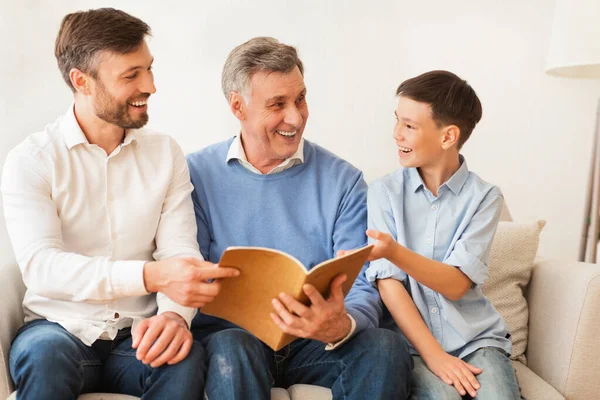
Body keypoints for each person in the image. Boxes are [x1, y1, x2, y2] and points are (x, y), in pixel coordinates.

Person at [2, 8, 238, 399]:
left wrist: (174, 317)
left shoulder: (165, 153)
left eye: (148, 69)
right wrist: (149, 276)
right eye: (131, 75)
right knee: (43, 356)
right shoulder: (32, 160)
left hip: (137, 334)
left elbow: (179, 250)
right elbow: (42, 267)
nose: (150, 86)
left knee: (184, 356)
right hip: (57, 328)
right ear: (83, 82)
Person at [186, 37, 412, 400]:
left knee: (386, 347)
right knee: (230, 347)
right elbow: (185, 272)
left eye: (301, 99)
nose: (296, 117)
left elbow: (363, 283)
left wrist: (340, 324)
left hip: (317, 343)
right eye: (278, 104)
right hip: (237, 340)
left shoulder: (344, 180)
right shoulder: (194, 174)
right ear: (238, 106)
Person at [360, 70, 521, 399]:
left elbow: (456, 284)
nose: (396, 134)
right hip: (412, 345)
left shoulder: (485, 197)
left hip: (477, 341)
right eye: (397, 121)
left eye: (409, 126)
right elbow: (388, 284)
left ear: (448, 137)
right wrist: (434, 355)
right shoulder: (383, 193)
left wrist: (394, 252)